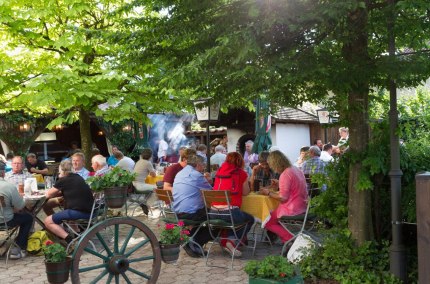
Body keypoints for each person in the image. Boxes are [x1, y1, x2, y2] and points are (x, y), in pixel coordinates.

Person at [212, 152, 255, 257]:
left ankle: (226, 240)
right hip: (230, 212)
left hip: (213, 212)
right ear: (240, 161)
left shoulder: (219, 172)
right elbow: (245, 192)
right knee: (249, 219)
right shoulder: (241, 173)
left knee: (234, 220)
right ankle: (231, 241)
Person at [260, 150, 308, 244]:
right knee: (272, 216)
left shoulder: (285, 174)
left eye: (270, 164)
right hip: (302, 205)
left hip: (292, 209)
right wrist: (279, 183)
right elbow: (293, 186)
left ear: (275, 163)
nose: (270, 167)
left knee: (266, 221)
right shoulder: (295, 169)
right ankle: (286, 240)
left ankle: (290, 238)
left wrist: (268, 192)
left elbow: (283, 198)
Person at [44, 160, 94, 245]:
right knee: (50, 205)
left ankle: (69, 240)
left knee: (47, 221)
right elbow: (69, 189)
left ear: (61, 170)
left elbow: (48, 194)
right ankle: (75, 234)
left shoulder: (64, 179)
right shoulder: (78, 176)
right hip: (89, 210)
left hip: (79, 212)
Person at [172, 154, 213, 258]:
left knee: (204, 212)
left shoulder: (179, 173)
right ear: (198, 164)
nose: (203, 167)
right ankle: (194, 241)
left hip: (177, 212)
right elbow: (211, 193)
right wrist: (208, 180)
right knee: (219, 218)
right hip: (191, 214)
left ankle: (191, 239)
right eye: (203, 165)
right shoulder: (196, 175)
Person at [0, 163, 33, 259]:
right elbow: (20, 206)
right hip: (5, 221)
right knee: (28, 218)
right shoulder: (8, 186)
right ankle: (18, 248)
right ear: (3, 173)